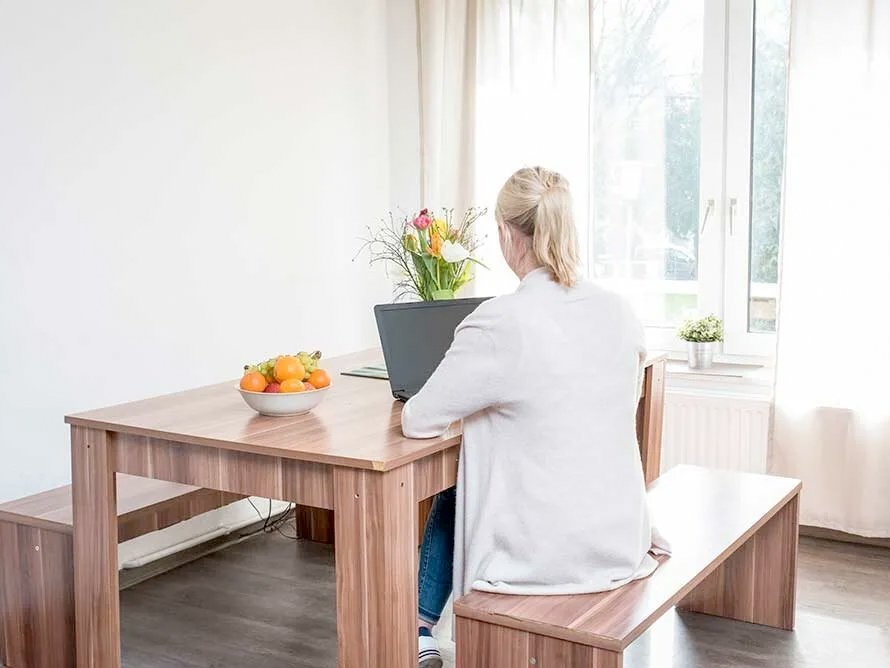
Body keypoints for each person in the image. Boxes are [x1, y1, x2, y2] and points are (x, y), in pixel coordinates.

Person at [402, 166, 667, 668]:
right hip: (618, 538)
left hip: (541, 558)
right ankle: (419, 624)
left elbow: (419, 420)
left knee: (459, 477)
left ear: (504, 232)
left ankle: (417, 626)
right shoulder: (619, 311)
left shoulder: (503, 320)